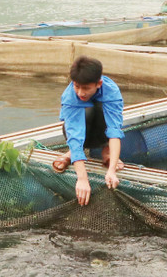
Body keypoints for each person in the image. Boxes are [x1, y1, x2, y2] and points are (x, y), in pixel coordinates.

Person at [51, 56, 125, 205]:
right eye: (76, 86)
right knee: (86, 111)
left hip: (101, 132)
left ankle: (106, 151)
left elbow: (114, 131)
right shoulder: (70, 97)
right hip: (79, 132)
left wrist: (111, 171)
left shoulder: (111, 91)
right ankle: (71, 153)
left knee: (99, 108)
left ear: (99, 84)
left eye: (86, 88)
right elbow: (74, 135)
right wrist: (82, 179)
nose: (80, 93)